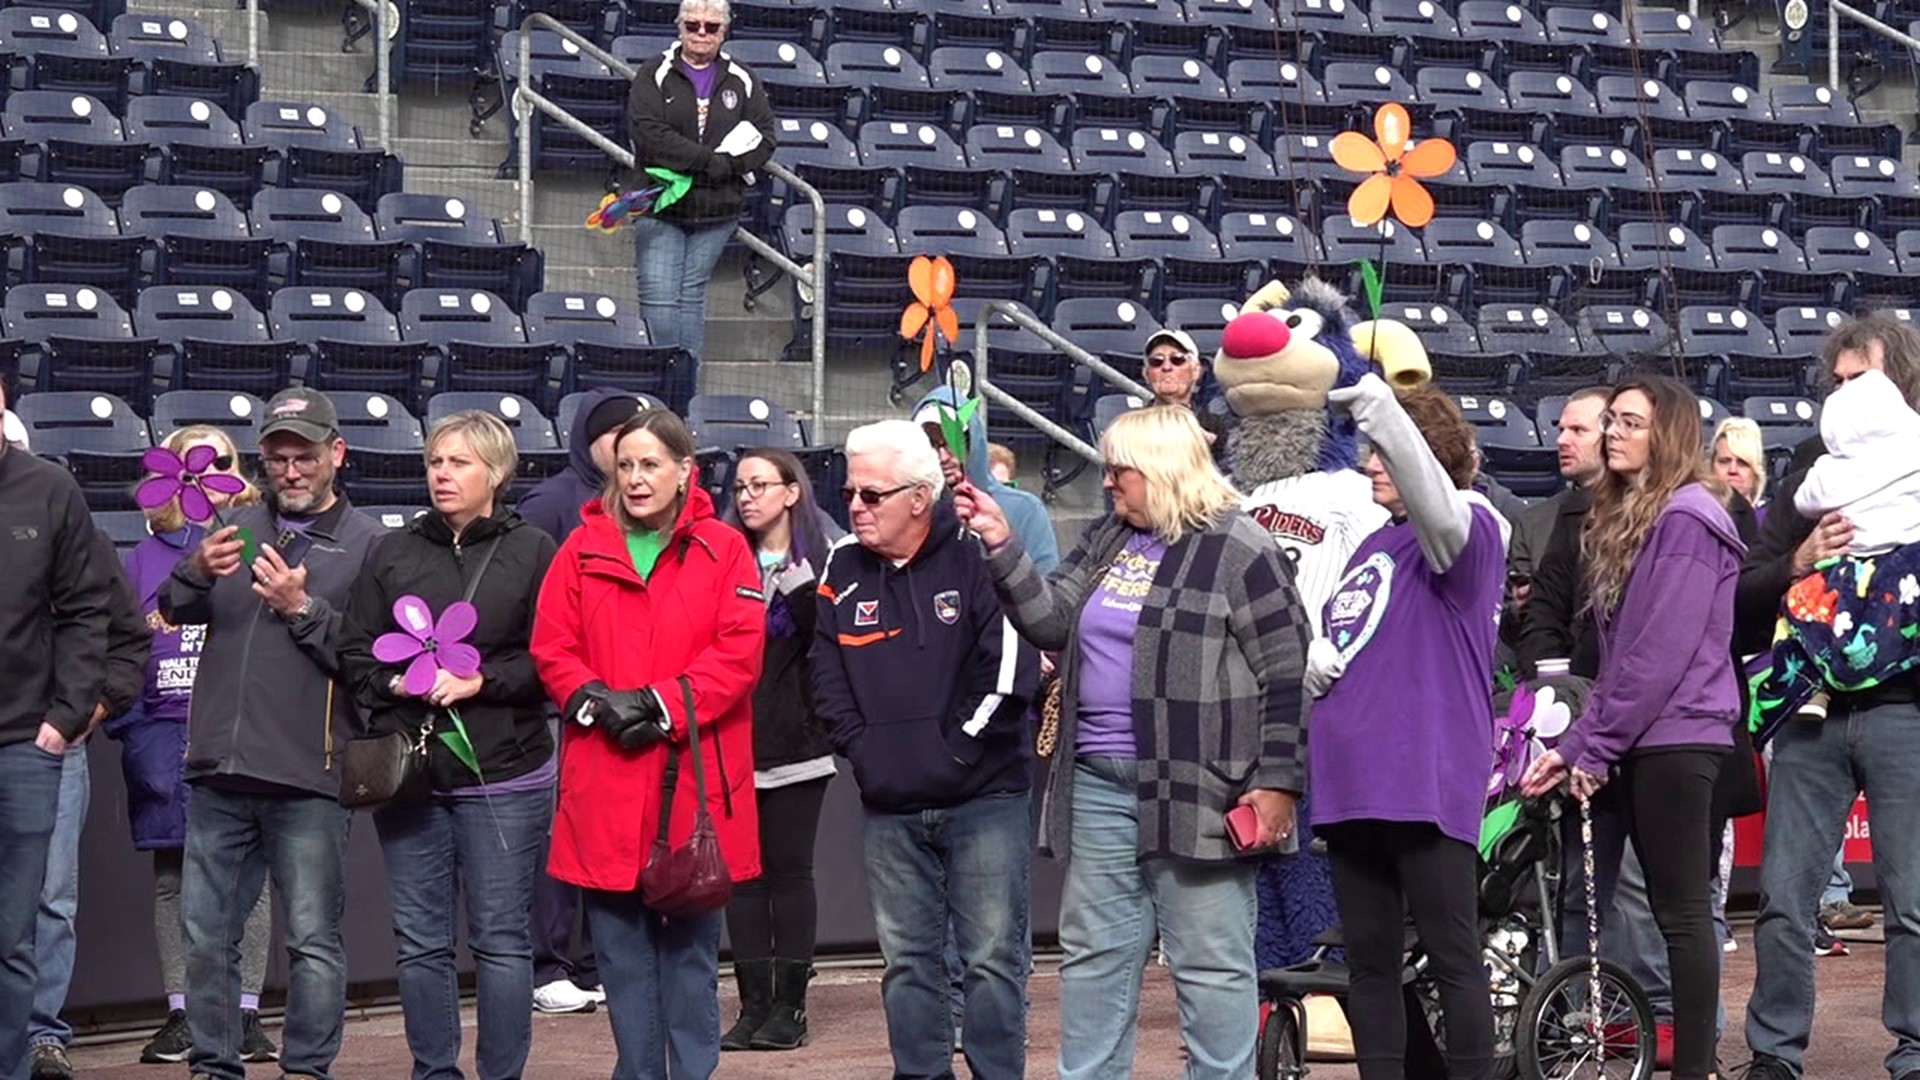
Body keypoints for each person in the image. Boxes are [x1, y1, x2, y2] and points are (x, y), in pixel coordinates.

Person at [955, 406, 1310, 1080]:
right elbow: (1052, 621)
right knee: (1095, 956)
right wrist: (1003, 545)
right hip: (1096, 780)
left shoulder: (1241, 546)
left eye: (1120, 471)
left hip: (1201, 786)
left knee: (1209, 964)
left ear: (1163, 472)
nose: (1109, 483)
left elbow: (1286, 675)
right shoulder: (1112, 534)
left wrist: (1278, 782)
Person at [531, 408, 765, 1080]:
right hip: (604, 773)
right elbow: (553, 645)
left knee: (691, 960)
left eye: (651, 465)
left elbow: (740, 652)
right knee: (622, 962)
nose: (635, 478)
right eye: (626, 465)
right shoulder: (580, 547)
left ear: (684, 470)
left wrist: (660, 703)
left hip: (692, 781)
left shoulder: (726, 547)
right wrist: (597, 702)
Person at [1522, 375, 1745, 1080]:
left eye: (1630, 422)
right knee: (1668, 911)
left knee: (1681, 914)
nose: (1613, 432)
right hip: (1647, 735)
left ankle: (1695, 1069)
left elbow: (1658, 653)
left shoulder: (1686, 517)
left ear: (1667, 435)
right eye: (1610, 420)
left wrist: (1596, 746)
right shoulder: (1637, 517)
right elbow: (1623, 661)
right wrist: (1576, 747)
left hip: (1680, 738)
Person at [161, 387, 386, 1080]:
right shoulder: (236, 525)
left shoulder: (370, 545)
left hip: (308, 775)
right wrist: (193, 572)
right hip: (220, 772)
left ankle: (306, 1070)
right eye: (278, 457)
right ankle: (214, 1066)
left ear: (336, 456)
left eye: (306, 457)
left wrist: (303, 608)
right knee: (206, 940)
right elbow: (172, 606)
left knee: (313, 941)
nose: (291, 471)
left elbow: (373, 660)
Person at [811, 419, 1040, 1080]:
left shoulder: (982, 554)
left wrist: (954, 754)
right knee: (907, 960)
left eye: (871, 494)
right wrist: (864, 752)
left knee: (993, 957)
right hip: (890, 800)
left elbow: (1010, 672)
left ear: (920, 496)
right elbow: (826, 678)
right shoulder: (841, 566)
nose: (855, 505)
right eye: (849, 490)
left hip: (985, 795)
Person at [339, 410, 560, 1080]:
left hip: (506, 772)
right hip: (411, 774)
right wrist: (396, 681)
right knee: (420, 943)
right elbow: (354, 652)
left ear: (495, 472)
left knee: (499, 938)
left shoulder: (535, 550)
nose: (442, 474)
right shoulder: (394, 550)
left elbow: (550, 659)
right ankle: (434, 1071)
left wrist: (480, 682)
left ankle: (502, 1073)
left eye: (459, 462)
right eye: (435, 461)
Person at [1304, 379, 1507, 1080]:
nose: (1369, 466)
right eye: (1367, 453)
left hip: (1424, 778)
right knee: (1368, 964)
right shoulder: (1370, 545)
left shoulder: (1471, 530)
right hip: (1350, 782)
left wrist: (1386, 415)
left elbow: (1438, 510)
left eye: (1383, 453)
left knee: (1452, 956)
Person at [1738, 311, 1920, 1080]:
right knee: (1784, 896)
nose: (1844, 395)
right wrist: (1798, 559)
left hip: (1905, 711)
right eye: (1837, 382)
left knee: (1912, 901)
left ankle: (1915, 1047)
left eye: (1861, 379)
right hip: (1812, 713)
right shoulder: (1809, 477)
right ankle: (1775, 1053)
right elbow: (1742, 594)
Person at [114, 427, 278, 1067]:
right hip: (162, 731)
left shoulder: (257, 545)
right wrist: (133, 730)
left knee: (251, 879)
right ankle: (183, 1013)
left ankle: (244, 1015)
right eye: (187, 461)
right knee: (172, 877)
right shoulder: (141, 558)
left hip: (236, 728)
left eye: (219, 461)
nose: (200, 476)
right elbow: (124, 646)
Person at [516, 388, 648, 1014]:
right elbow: (528, 607)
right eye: (613, 434)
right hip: (558, 704)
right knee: (556, 839)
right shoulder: (551, 504)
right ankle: (548, 967)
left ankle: (593, 962)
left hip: (624, 707)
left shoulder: (642, 512)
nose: (625, 446)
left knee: (611, 836)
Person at [0, 379, 115, 1080]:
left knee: (14, 937)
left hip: (23, 746)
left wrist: (65, 718)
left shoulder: (49, 488)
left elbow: (87, 610)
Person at [718, 448, 842, 1051]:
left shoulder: (828, 556)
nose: (747, 496)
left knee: (789, 874)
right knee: (741, 881)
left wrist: (800, 594)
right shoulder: (720, 557)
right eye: (740, 485)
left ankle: (790, 1008)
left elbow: (834, 647)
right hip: (730, 743)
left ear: (792, 491)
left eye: (760, 484)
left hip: (797, 742)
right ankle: (751, 1007)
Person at [21, 493, 148, 1080]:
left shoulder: (78, 537)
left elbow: (129, 640)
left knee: (50, 898)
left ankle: (41, 1035)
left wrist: (84, 714)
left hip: (51, 745)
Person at [625, 0, 776, 390]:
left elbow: (764, 138)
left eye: (711, 26)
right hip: (660, 206)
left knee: (690, 300)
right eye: (693, 25)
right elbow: (649, 135)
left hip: (716, 213)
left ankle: (684, 395)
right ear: (680, 27)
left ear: (724, 31)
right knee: (659, 302)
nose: (701, 33)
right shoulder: (653, 72)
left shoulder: (743, 78)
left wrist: (726, 167)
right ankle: (657, 387)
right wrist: (711, 162)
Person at [1141, 328, 1230, 465]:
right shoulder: (1133, 426)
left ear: (1196, 371)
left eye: (1177, 359)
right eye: (1156, 361)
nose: (1166, 367)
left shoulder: (1215, 426)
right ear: (1146, 374)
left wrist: (1212, 445)